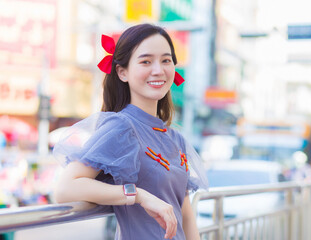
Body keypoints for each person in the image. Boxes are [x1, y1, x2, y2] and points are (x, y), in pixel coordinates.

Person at [53, 23, 208, 240]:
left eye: (166, 60)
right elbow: (65, 189)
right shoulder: (121, 128)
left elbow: (186, 217)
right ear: (122, 72)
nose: (158, 70)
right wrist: (139, 196)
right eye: (146, 61)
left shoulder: (176, 139)